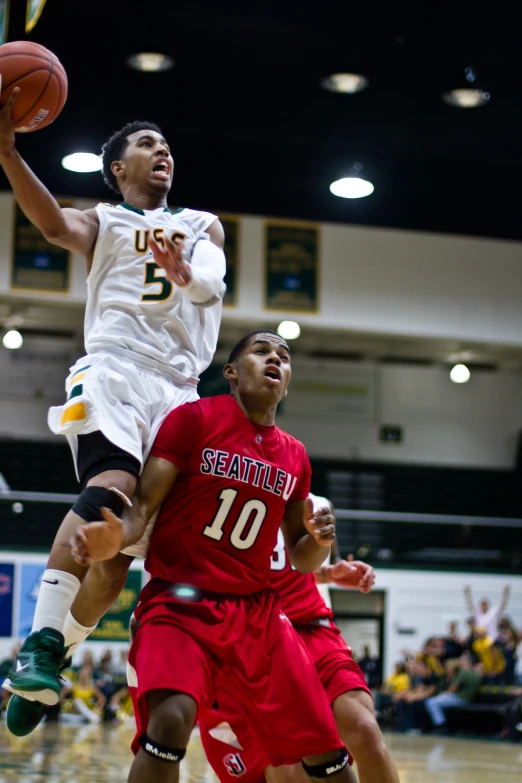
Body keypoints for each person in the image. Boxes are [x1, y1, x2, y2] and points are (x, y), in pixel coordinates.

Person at [0, 85, 226, 720]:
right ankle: (39, 643)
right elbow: (50, 225)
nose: (163, 153)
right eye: (147, 145)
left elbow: (213, 281)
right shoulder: (107, 222)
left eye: (167, 147)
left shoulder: (200, 224)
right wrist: (9, 154)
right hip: (116, 369)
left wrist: (188, 275)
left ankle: (53, 658)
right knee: (113, 484)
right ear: (118, 169)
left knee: (121, 551)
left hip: (181, 392)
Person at [71, 330, 354, 783]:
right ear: (231, 373)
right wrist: (116, 536)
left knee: (327, 751)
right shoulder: (194, 419)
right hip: (181, 603)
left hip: (257, 614)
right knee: (169, 722)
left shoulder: (296, 456)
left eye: (283, 356)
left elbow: (301, 560)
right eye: (261, 352)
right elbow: (143, 506)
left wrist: (318, 543)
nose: (274, 359)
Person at [199, 498, 400, 783]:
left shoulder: (312, 499)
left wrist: (331, 572)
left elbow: (300, 560)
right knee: (288, 771)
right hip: (248, 642)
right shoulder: (219, 487)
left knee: (365, 729)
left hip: (311, 630)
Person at [424, 656, 482, 730]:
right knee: (437, 701)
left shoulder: (464, 672)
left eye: (461, 660)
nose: (459, 662)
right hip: (469, 698)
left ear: (466, 662)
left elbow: (453, 688)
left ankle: (440, 724)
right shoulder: (474, 672)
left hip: (461, 698)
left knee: (431, 702)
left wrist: (445, 693)